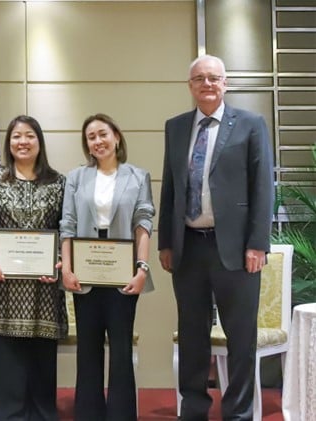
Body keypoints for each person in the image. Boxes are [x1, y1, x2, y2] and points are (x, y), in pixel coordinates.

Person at [158, 55, 274, 421]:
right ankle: (193, 410)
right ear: (190, 86)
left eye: (214, 78)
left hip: (237, 250)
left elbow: (262, 188)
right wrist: (166, 242)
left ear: (225, 84)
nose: (207, 84)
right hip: (188, 247)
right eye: (199, 79)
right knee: (192, 336)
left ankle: (237, 413)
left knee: (241, 338)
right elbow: (171, 188)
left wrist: (257, 243)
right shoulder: (175, 127)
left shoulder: (251, 124)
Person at [60, 113, 155, 421]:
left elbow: (143, 223)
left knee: (121, 349)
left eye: (103, 134)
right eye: (91, 137)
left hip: (123, 273)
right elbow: (68, 225)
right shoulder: (76, 177)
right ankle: (87, 414)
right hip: (84, 274)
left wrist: (142, 269)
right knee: (88, 349)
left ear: (116, 136)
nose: (98, 141)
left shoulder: (138, 176)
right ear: (87, 145)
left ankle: (121, 415)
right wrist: (67, 269)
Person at [0, 115, 67, 421]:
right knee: (6, 366)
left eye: (29, 136)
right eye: (16, 136)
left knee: (42, 366)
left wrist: (60, 259)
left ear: (39, 142)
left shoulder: (59, 182)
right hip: (3, 291)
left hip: (43, 290)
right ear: (9, 143)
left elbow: (66, 230)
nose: (23, 142)